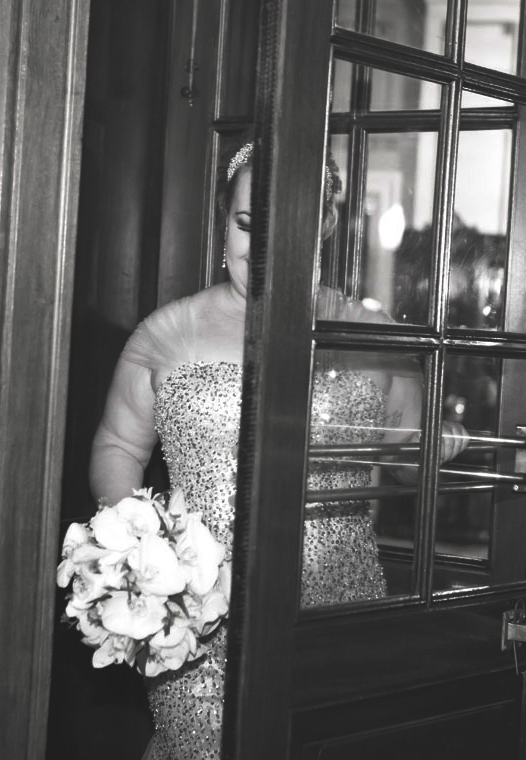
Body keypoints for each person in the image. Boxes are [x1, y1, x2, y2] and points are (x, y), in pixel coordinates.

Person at [88, 141, 468, 760]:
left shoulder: (372, 337)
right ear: (223, 222)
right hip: (203, 631)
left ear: (324, 226)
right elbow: (116, 446)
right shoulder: (166, 333)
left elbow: (403, 465)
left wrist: (434, 447)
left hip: (334, 621)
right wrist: (142, 548)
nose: (261, 248)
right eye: (246, 225)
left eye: (285, 228)